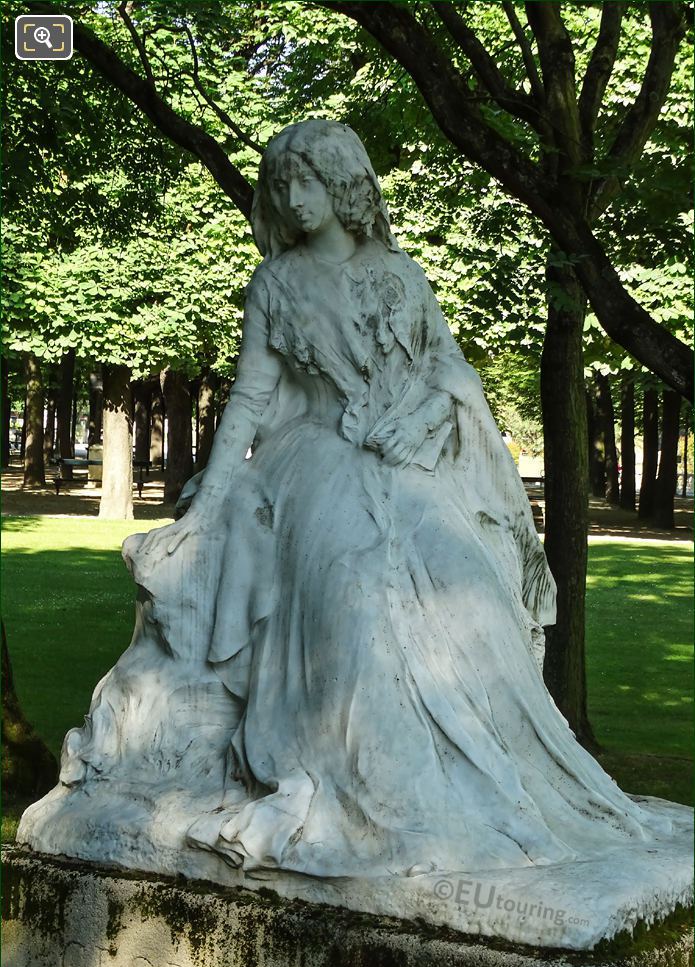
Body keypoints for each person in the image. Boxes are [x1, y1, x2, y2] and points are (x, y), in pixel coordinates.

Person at [20, 120, 673, 882]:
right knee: (356, 590)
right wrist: (206, 504)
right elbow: (253, 399)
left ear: (344, 186)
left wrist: (426, 416)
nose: (294, 199)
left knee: (467, 586)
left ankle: (486, 787)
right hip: (312, 462)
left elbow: (450, 374)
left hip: (406, 463)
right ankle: (376, 792)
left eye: (309, 182)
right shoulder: (275, 285)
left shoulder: (400, 274)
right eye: (282, 185)